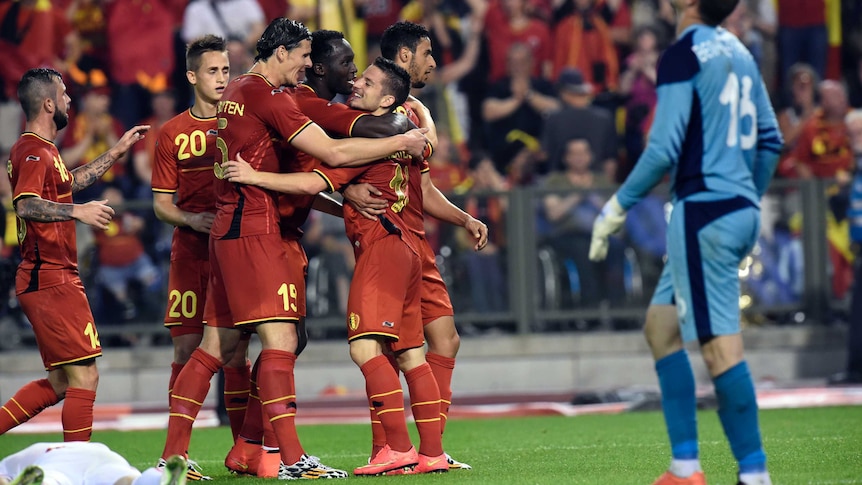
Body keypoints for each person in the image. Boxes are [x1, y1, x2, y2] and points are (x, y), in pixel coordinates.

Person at [159, 17, 429, 481]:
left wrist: (341, 192)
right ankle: (291, 459)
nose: (308, 64)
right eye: (304, 56)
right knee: (281, 341)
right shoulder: (268, 95)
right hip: (257, 229)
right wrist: (406, 137)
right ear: (281, 52)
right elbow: (335, 153)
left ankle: (178, 456)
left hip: (231, 229)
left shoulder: (241, 91)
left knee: (215, 346)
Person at [224, 56, 449, 477]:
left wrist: (255, 177)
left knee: (364, 347)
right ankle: (432, 453)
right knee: (412, 353)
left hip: (381, 245)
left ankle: (398, 449)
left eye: (366, 80)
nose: (355, 83)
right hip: (411, 249)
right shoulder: (406, 137)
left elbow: (312, 182)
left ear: (386, 99)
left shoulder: (366, 145)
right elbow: (427, 160)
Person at [588, 1, 782, 485]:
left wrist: (617, 206)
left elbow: (664, 146)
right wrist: (747, 198)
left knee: (720, 350)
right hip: (733, 207)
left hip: (703, 211)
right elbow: (771, 138)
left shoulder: (683, 54)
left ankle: (755, 474)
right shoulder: (739, 49)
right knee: (661, 327)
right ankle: (685, 469)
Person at [348, 20, 489, 470]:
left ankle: (429, 450)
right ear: (405, 56)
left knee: (441, 340)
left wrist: (464, 217)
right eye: (428, 53)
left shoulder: (404, 110)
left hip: (411, 242)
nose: (434, 61)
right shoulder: (369, 111)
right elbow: (328, 164)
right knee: (391, 347)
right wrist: (345, 192)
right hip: (387, 237)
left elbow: (423, 189)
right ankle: (392, 448)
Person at [0, 68, 149, 442]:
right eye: (64, 94)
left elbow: (71, 182)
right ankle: (78, 466)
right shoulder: (32, 150)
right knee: (85, 376)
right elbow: (27, 206)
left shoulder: (45, 151)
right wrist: (78, 212)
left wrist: (115, 151)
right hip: (48, 275)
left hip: (54, 275)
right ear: (48, 103)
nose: (70, 100)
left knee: (63, 380)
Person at [151, 34, 252, 448]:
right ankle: (180, 453)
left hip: (238, 251)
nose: (221, 78)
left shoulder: (246, 121)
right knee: (187, 350)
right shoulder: (172, 132)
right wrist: (194, 218)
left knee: (236, 354)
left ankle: (243, 449)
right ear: (192, 75)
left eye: (226, 70)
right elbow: (161, 205)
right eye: (213, 71)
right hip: (192, 253)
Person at [0, 443, 187, 485]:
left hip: (57, 459)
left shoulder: (7, 464)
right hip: (102, 454)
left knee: (54, 479)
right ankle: (157, 480)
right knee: (128, 480)